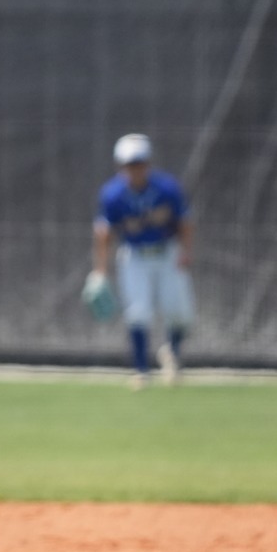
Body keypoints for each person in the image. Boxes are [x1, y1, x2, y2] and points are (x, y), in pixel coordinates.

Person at [86, 133, 194, 386]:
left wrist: (186, 252)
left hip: (167, 252)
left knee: (179, 312)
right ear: (120, 165)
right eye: (130, 164)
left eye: (139, 163)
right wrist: (100, 270)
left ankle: (172, 353)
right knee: (138, 312)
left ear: (148, 163)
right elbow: (104, 232)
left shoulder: (167, 188)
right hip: (134, 256)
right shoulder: (113, 194)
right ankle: (141, 370)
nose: (135, 169)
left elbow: (185, 222)